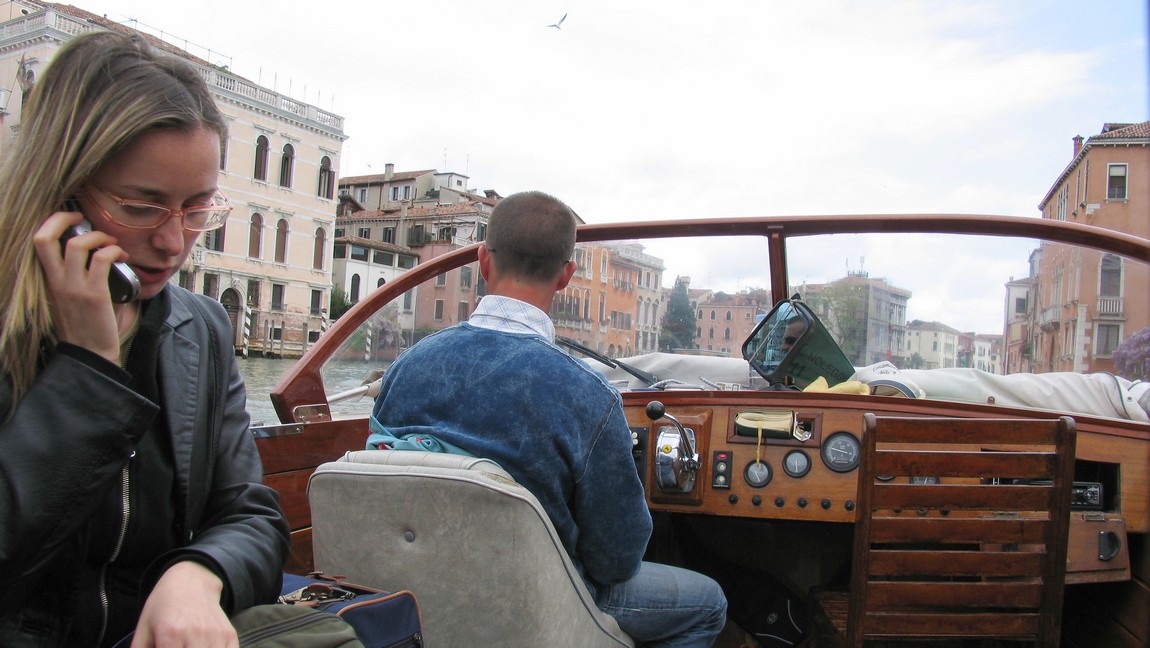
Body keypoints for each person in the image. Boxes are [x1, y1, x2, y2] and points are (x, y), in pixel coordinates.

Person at [0, 31, 289, 646]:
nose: (173, 242)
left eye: (197, 209)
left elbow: (251, 515)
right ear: (60, 194)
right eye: (139, 207)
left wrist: (201, 572)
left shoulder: (201, 329)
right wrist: (88, 372)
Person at [370, 191, 728, 646]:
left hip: (414, 591)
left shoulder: (403, 370)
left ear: (483, 262)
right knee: (708, 604)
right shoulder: (590, 396)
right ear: (566, 276)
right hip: (535, 601)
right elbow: (616, 560)